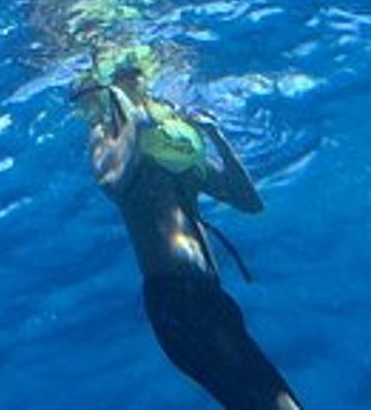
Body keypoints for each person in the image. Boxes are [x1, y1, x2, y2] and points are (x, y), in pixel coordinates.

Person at [77, 57, 302, 410]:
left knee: (269, 397)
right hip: (173, 301)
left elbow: (249, 202)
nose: (134, 79)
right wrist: (132, 122)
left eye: (137, 73)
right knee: (270, 400)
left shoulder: (176, 159)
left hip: (210, 296)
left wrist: (216, 138)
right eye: (123, 76)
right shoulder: (104, 137)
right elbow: (112, 178)